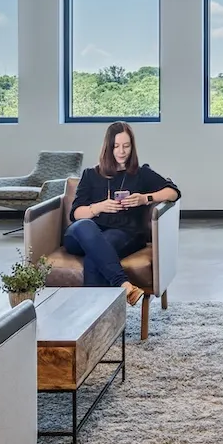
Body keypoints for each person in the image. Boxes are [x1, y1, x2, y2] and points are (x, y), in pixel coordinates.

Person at [65, 121, 180, 306]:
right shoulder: (90, 174)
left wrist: (145, 198)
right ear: (108, 147)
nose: (121, 151)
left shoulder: (141, 174)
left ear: (132, 147)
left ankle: (92, 320)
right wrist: (99, 207)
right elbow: (76, 213)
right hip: (82, 235)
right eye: (116, 146)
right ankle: (123, 284)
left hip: (124, 233)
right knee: (85, 225)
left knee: (94, 257)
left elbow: (173, 192)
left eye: (126, 146)